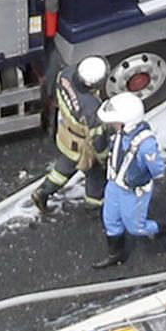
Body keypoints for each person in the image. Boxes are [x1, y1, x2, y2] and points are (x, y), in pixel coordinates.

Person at [94, 91, 166, 264]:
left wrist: (139, 176)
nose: (111, 124)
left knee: (136, 227)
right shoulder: (122, 132)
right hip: (114, 184)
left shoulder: (146, 144)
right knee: (110, 220)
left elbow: (157, 169)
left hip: (133, 191)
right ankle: (116, 254)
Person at [35, 55, 112, 215]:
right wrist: (103, 157)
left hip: (65, 132)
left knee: (67, 163)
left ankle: (43, 191)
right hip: (83, 144)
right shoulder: (91, 108)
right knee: (96, 173)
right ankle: (94, 205)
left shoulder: (66, 74)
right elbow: (98, 139)